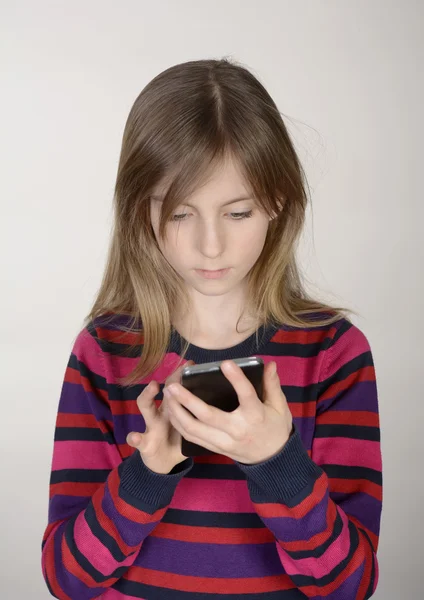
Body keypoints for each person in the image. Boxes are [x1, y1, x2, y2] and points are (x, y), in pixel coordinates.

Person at [41, 58, 382, 599]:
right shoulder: (105, 351)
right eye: (179, 214)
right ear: (139, 212)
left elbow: (349, 586)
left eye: (238, 213)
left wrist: (277, 460)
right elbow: (67, 580)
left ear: (279, 202)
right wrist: (147, 474)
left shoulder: (333, 353)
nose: (210, 247)